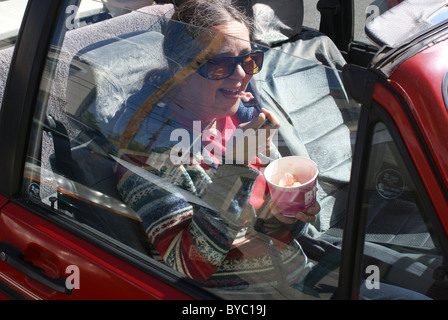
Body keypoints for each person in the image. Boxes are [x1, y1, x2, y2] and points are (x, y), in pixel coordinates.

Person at [111, 0, 320, 298]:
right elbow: (190, 263)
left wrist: (286, 216)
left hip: (295, 277)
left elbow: (255, 225)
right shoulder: (147, 153)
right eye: (220, 64)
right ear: (179, 68)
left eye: (249, 60)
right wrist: (235, 166)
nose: (240, 76)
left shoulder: (242, 116)